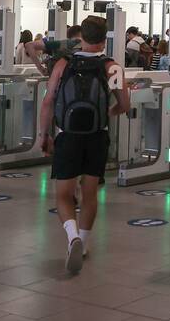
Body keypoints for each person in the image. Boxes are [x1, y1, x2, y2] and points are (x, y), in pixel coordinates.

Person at [40, 16, 129, 274]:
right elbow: (124, 105)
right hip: (96, 136)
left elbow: (48, 102)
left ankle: (72, 237)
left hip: (67, 135)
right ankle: (85, 242)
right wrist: (109, 113)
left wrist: (43, 135)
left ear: (81, 38)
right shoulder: (111, 67)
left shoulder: (63, 64)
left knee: (64, 195)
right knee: (89, 194)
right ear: (104, 38)